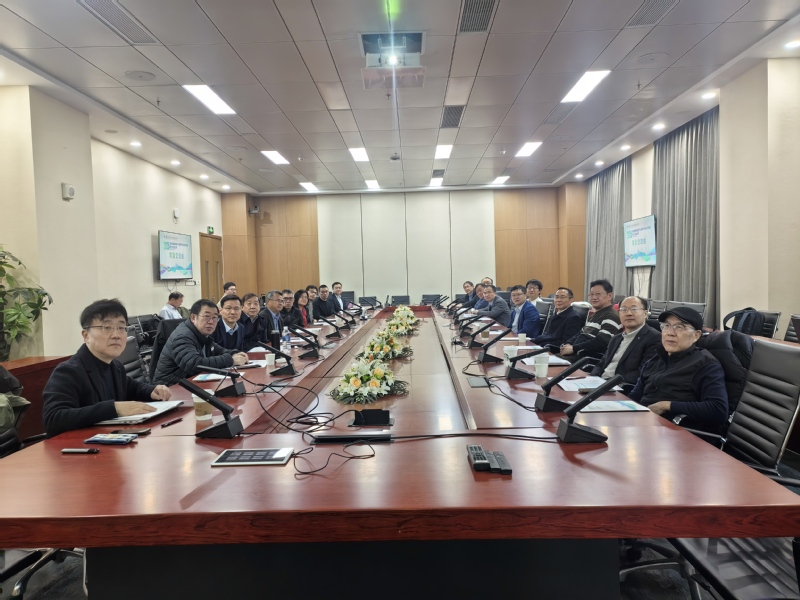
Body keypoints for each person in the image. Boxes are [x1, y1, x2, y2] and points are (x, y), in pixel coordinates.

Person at [42, 299, 172, 438]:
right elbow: (54, 418)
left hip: (111, 440)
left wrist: (151, 391)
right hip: (79, 446)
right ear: (86, 336)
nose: (116, 335)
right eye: (107, 327)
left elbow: (131, 387)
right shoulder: (69, 371)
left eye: (121, 328)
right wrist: (114, 408)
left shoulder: (115, 366)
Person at [629, 307, 728, 431]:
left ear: (696, 335)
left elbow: (718, 410)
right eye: (666, 326)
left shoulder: (706, 365)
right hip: (643, 424)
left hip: (676, 433)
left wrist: (667, 405)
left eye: (679, 327)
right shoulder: (656, 360)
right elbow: (635, 396)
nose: (670, 333)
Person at [154, 299, 248, 386]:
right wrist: (230, 360)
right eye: (206, 316)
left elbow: (218, 350)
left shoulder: (201, 333)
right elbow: (194, 365)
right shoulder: (183, 336)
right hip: (170, 388)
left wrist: (234, 353)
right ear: (193, 317)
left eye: (215, 317)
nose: (211, 322)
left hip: (191, 382)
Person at [590, 296, 661, 389]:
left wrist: (608, 382)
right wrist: (592, 377)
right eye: (623, 309)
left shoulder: (654, 338)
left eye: (634, 309)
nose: (628, 313)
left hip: (620, 388)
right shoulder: (616, 338)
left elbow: (643, 373)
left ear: (645, 313)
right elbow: (602, 363)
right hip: (599, 385)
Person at [560, 279, 621, 362]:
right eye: (591, 294)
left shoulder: (611, 316)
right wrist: (568, 344)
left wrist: (573, 348)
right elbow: (580, 333)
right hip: (574, 355)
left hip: (585, 359)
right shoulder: (595, 314)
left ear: (609, 296)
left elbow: (601, 342)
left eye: (598, 294)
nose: (594, 297)